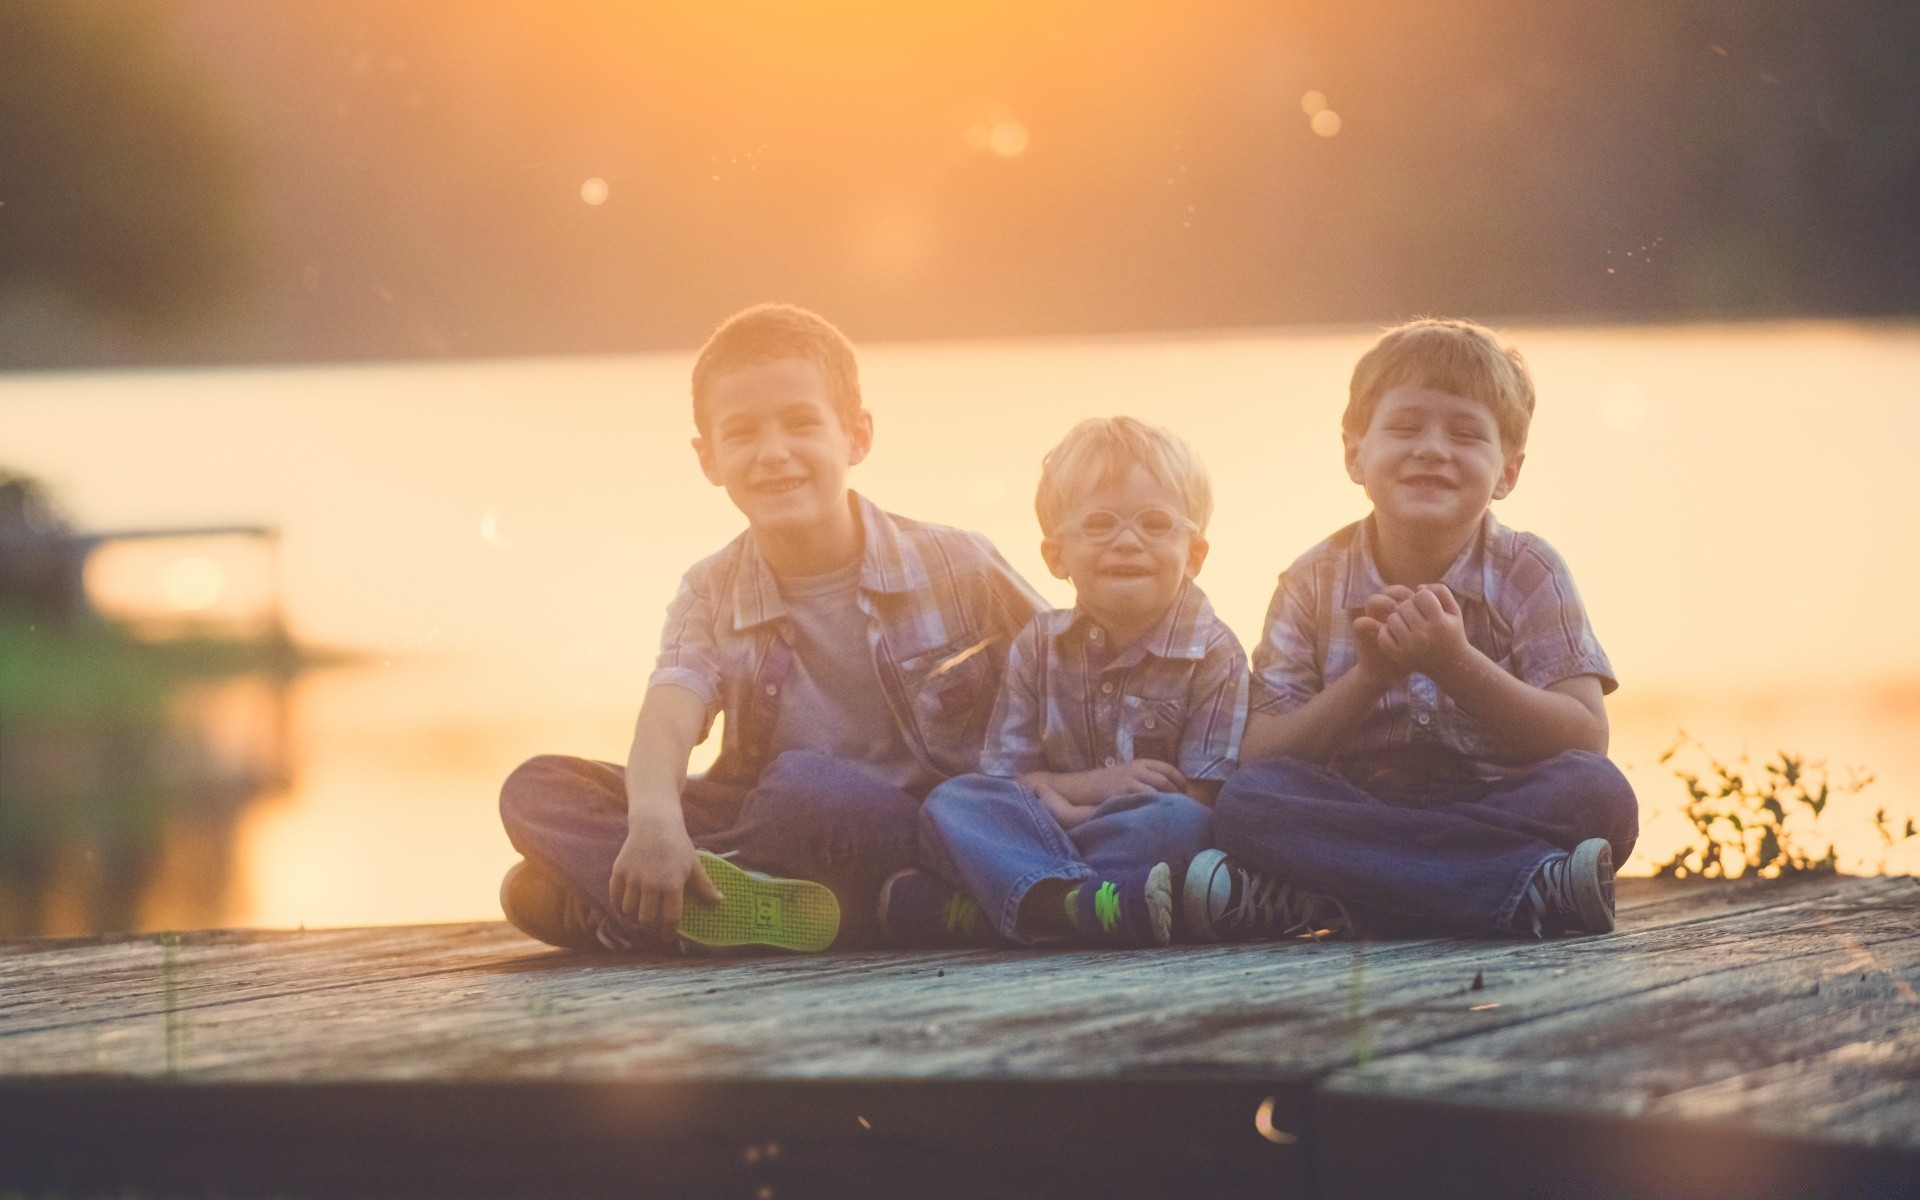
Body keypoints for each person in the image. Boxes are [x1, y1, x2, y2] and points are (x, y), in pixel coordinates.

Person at [497, 304, 1044, 953]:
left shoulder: (957, 564)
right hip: (759, 817)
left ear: (857, 436)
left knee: (801, 788)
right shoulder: (711, 588)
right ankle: (753, 904)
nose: (774, 453)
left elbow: (1065, 666)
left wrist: (1089, 790)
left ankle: (663, 908)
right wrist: (653, 819)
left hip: (917, 825)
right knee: (535, 789)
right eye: (743, 433)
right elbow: (670, 708)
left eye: (801, 424)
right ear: (709, 459)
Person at [1187, 318, 1637, 943]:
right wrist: (1371, 677)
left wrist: (1456, 665)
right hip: (1357, 807)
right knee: (1249, 802)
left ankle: (1331, 897)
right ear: (1354, 453)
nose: (1432, 449)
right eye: (1404, 427)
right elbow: (1263, 750)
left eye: (1465, 434)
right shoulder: (1311, 582)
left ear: (1507, 471)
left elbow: (1586, 737)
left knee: (1597, 794)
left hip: (1496, 803)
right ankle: (1519, 887)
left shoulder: (1532, 572)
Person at [885, 417, 1247, 948]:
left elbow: (1204, 794)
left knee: (1181, 824)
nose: (1128, 541)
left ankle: (1003, 907)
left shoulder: (1215, 652)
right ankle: (1084, 905)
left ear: (1193, 555)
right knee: (954, 801)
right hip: (1046, 825)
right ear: (1057, 556)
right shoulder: (1038, 643)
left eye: (1154, 523)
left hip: (1133, 833)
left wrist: (1078, 807)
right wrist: (1083, 792)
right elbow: (1006, 778)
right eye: (1100, 524)